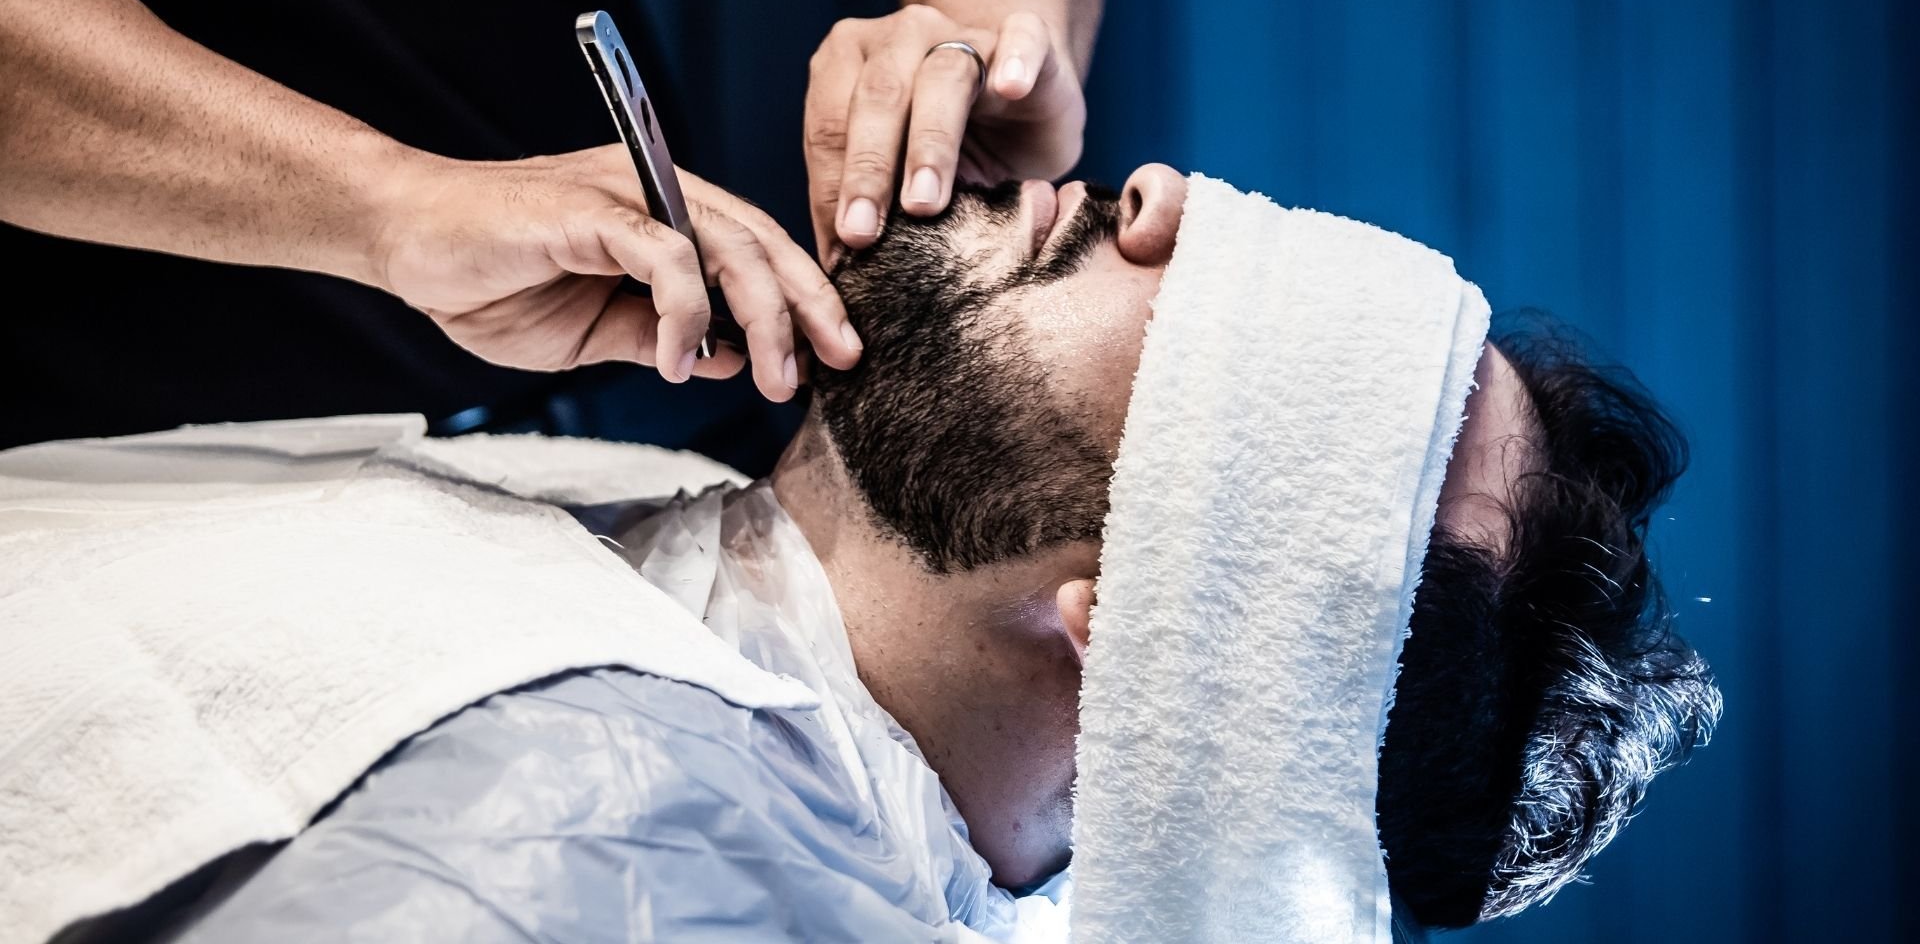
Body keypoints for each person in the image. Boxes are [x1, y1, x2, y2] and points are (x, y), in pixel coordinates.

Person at [16, 165, 1718, 940]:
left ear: (1148, 642)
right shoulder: (685, 534)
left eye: (1287, 353)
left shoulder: (568, 861)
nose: (1157, 197)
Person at [0, 0, 1107, 459]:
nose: (1149, 200)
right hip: (131, 462)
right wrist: (390, 203)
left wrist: (988, 36)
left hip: (629, 419)